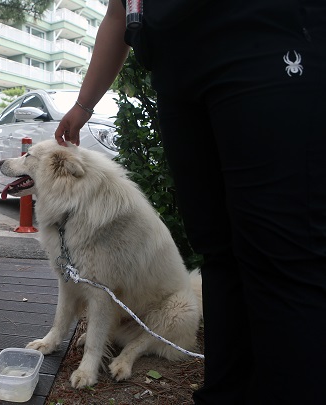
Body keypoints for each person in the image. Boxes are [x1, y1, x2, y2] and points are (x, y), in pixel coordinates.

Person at [54, 1, 326, 404]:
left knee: (281, 250)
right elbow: (117, 12)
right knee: (218, 250)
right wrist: (83, 105)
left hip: (264, 38)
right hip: (177, 68)